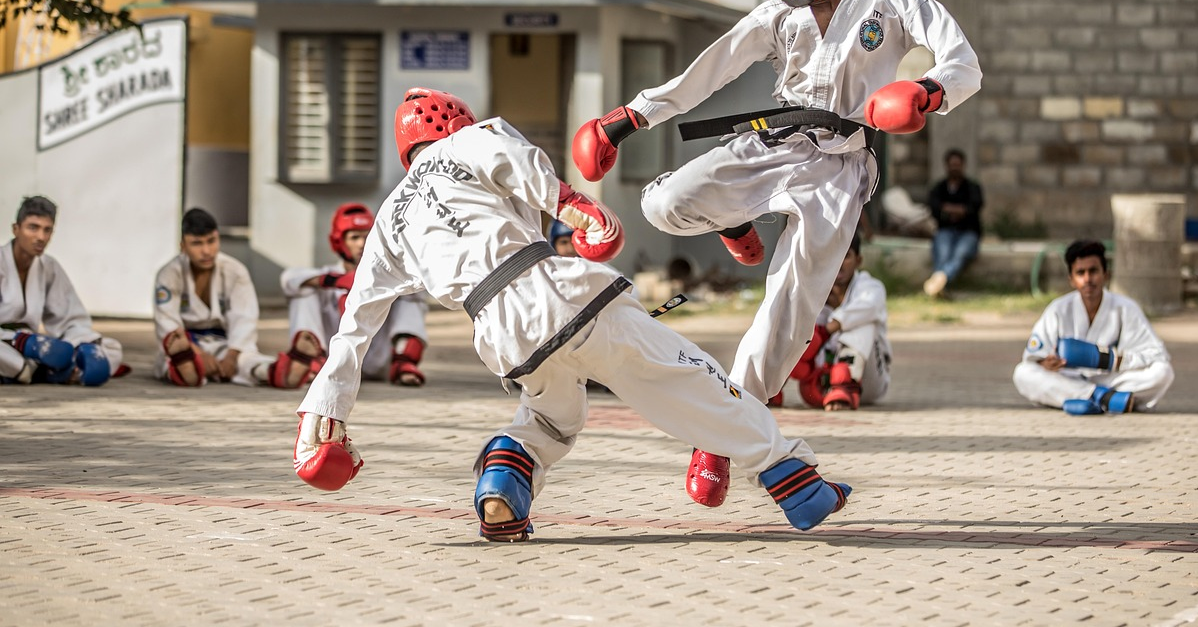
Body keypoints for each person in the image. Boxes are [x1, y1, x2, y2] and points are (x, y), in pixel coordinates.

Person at [292, 88, 852, 541]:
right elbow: (510, 159)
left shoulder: (389, 218)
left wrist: (325, 416)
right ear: (454, 124)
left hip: (500, 333)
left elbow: (354, 327)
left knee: (553, 416)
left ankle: (503, 487)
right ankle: (796, 482)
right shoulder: (471, 140)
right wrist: (572, 203)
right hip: (552, 289)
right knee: (686, 375)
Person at [571, 0, 981, 507]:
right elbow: (706, 71)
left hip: (840, 169)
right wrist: (628, 117)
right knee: (665, 203)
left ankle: (722, 427)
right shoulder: (777, 18)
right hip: (775, 144)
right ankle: (733, 219)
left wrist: (927, 91)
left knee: (788, 311)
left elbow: (962, 60)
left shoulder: (892, 4)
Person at [1013, 240, 1175, 415]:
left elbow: (1158, 354)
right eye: (1080, 273)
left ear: (1106, 274)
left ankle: (1083, 398)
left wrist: (1114, 360)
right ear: (1071, 280)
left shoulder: (1126, 308)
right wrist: (1046, 362)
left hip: (1110, 379)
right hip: (1068, 378)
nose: (1088, 279)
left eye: (1093, 271)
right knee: (1023, 373)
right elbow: (1032, 357)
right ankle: (1103, 398)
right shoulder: (1058, 309)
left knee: (1163, 372)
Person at [280, 203, 429, 387]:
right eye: (354, 237)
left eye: (367, 237)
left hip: (376, 362)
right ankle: (309, 359)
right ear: (339, 241)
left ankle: (404, 360)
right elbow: (288, 279)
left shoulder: (387, 275)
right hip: (329, 360)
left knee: (411, 295)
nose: (361, 243)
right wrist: (334, 281)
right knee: (304, 291)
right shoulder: (326, 275)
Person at [153, 208, 304, 388]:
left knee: (247, 360)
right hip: (187, 346)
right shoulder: (169, 274)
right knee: (171, 359)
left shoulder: (235, 271)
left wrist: (231, 357)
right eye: (197, 243)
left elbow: (245, 318)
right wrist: (198, 353)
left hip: (225, 343)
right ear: (183, 246)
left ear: (218, 239)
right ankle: (187, 368)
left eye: (211, 241)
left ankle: (274, 372)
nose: (206, 251)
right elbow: (168, 324)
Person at [0, 196, 124, 386]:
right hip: (7, 345)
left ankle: (40, 369)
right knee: (16, 356)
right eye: (33, 227)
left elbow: (70, 319)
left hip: (34, 348)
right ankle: (42, 371)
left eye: (47, 230)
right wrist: (18, 341)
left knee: (109, 350)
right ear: (15, 229)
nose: (40, 237)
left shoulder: (49, 267)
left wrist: (84, 346)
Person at [788, 234, 891, 411]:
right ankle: (770, 388)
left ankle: (845, 386)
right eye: (832, 256)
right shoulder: (811, 292)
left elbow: (870, 307)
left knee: (863, 321)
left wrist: (826, 331)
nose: (839, 263)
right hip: (819, 383)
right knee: (791, 323)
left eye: (846, 256)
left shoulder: (870, 287)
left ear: (858, 260)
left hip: (868, 383)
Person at [924, 149, 984, 297]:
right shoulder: (939, 188)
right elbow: (935, 208)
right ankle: (941, 287)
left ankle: (939, 282)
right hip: (945, 230)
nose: (955, 167)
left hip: (968, 231)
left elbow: (974, 207)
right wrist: (959, 210)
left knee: (960, 254)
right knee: (943, 253)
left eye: (958, 164)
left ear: (963, 165)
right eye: (952, 164)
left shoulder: (972, 187)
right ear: (947, 166)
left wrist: (949, 209)